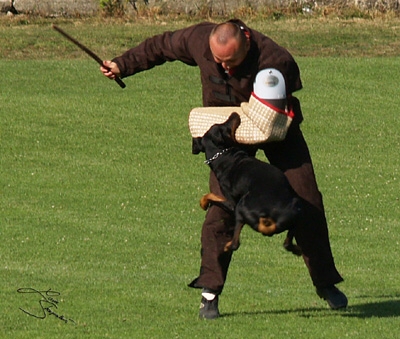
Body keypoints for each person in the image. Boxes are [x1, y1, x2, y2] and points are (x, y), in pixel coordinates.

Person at [101, 19, 348, 320]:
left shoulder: (274, 60)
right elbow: (161, 45)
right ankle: (210, 293)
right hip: (226, 133)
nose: (223, 68)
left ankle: (325, 283)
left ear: (246, 42)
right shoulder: (200, 39)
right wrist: (121, 65)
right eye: (218, 61)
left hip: (274, 126)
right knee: (221, 207)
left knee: (305, 196)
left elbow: (279, 100)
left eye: (231, 62)